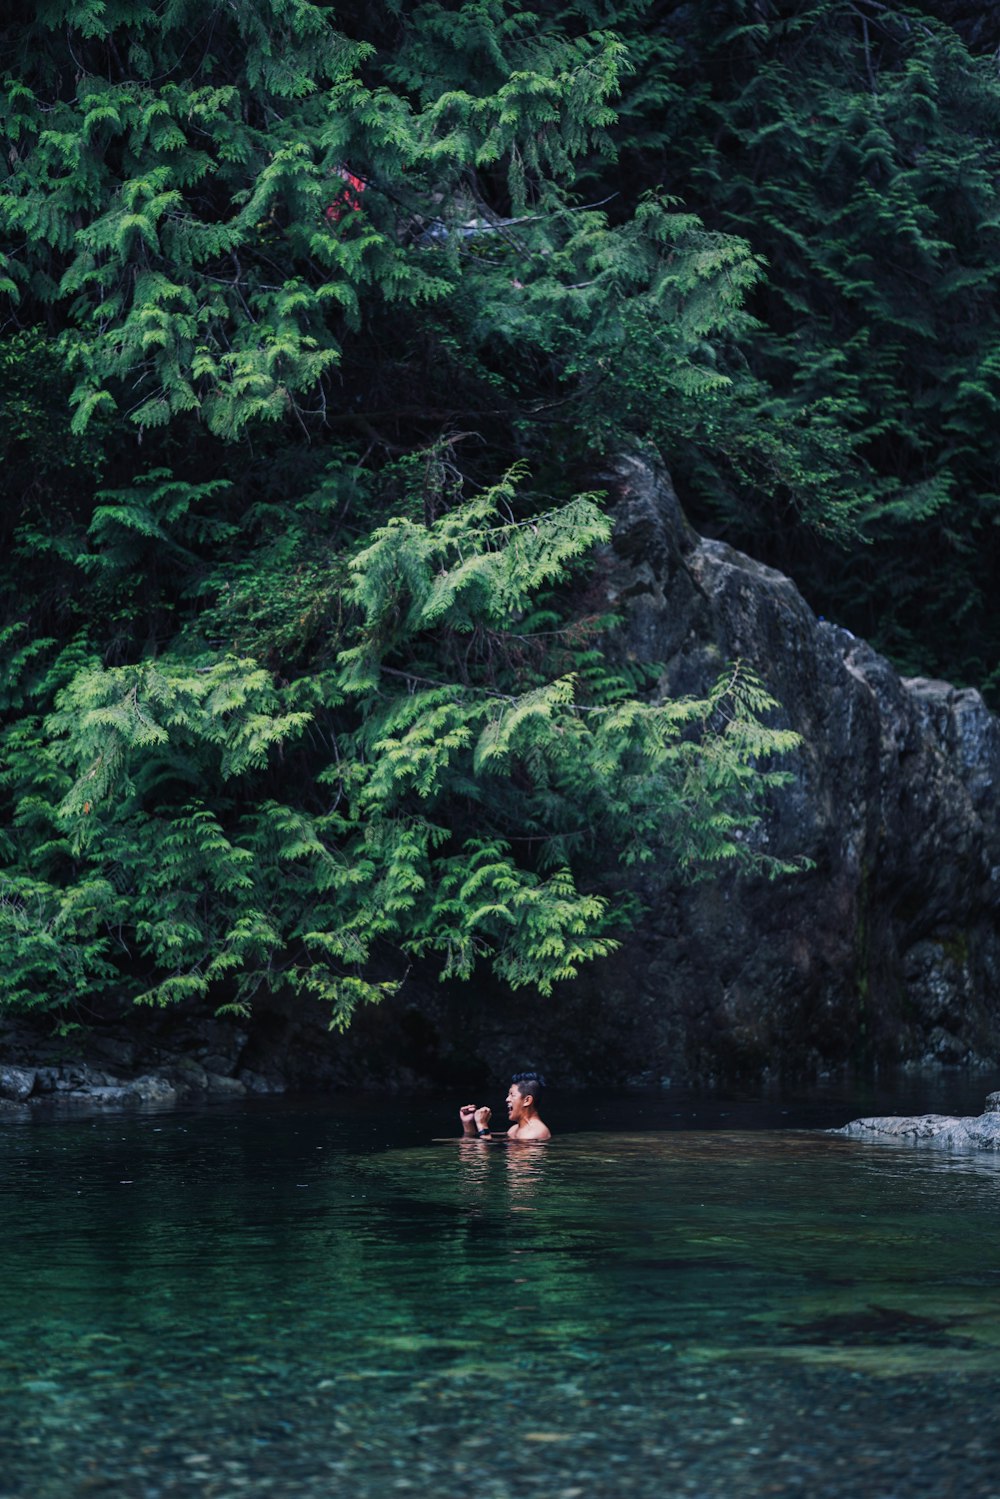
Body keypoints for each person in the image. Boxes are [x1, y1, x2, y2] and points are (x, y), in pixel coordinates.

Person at [459, 1073, 551, 1141]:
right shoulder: (513, 1130)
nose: (507, 1099)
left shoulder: (534, 1134)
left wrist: (482, 1125)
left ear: (527, 1101)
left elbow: (482, 1163)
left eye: (512, 1095)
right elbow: (471, 1152)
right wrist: (468, 1124)